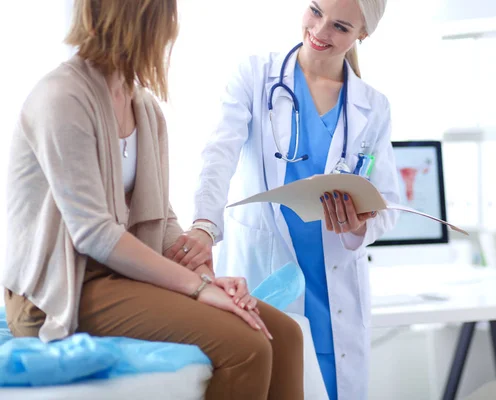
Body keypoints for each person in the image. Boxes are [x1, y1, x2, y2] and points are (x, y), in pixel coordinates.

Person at [0, 1, 304, 399]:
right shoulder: (62, 98)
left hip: (117, 277)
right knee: (247, 347)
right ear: (145, 19)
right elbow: (94, 234)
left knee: (286, 335)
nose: (174, 25)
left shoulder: (144, 108)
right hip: (60, 292)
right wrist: (197, 288)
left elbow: (160, 218)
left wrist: (208, 276)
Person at [173, 0, 401, 398]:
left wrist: (360, 224)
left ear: (362, 34)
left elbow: (388, 201)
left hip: (333, 291)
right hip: (266, 273)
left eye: (341, 27)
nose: (320, 30)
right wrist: (205, 226)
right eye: (315, 11)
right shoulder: (256, 75)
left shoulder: (373, 106)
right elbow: (218, 154)